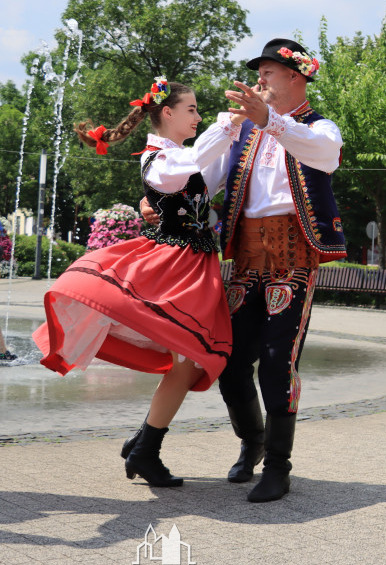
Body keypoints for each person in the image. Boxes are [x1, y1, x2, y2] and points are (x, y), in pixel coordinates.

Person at [33, 77, 236, 486]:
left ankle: (145, 444)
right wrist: (229, 122)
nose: (197, 116)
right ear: (168, 112)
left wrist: (243, 124)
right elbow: (196, 162)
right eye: (192, 109)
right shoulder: (158, 159)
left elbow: (212, 172)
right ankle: (146, 447)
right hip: (172, 267)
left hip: (193, 267)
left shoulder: (179, 155)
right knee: (189, 360)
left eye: (199, 111)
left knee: (189, 363)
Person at [207, 38, 347, 503]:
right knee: (229, 361)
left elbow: (319, 154)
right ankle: (254, 441)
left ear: (296, 76)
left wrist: (269, 122)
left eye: (268, 71)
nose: (261, 79)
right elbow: (206, 179)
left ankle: (279, 468)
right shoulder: (243, 130)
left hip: (292, 259)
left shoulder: (321, 128)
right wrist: (162, 195)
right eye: (260, 71)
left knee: (276, 363)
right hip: (246, 259)